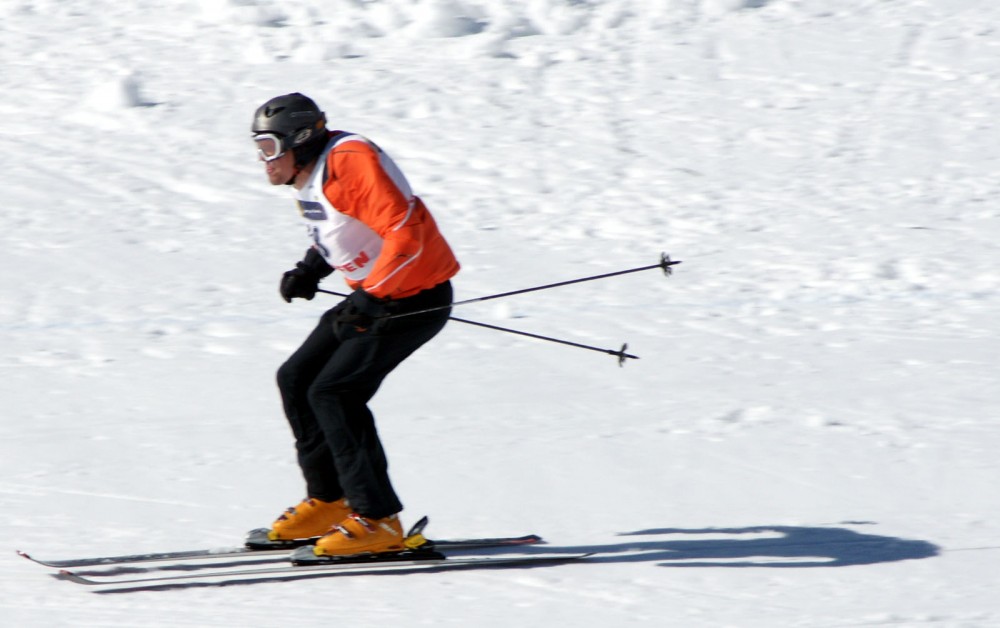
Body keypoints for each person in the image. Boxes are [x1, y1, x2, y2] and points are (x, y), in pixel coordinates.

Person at [250, 93, 460, 557]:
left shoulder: (350, 161)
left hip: (411, 297)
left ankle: (378, 519)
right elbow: (342, 228)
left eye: (268, 148)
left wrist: (369, 296)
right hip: (377, 296)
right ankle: (331, 501)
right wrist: (312, 268)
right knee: (297, 377)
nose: (263, 161)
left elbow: (405, 232)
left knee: (335, 392)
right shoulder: (315, 172)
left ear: (300, 141)